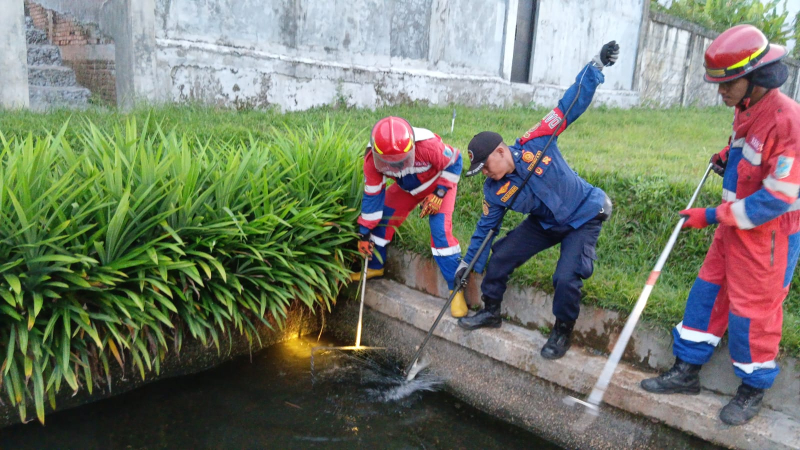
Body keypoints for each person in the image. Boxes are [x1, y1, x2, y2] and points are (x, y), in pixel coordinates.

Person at [640, 25, 800, 426]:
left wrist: (710, 215)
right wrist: (729, 156)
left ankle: (752, 389)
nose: (720, 91)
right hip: (733, 229)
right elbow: (752, 156)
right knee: (707, 294)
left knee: (754, 314)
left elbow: (777, 198)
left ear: (757, 77)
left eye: (727, 83)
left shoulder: (788, 122)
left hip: (768, 237)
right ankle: (687, 370)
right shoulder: (748, 108)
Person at [454, 41, 619, 359]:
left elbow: (570, 104)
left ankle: (562, 332)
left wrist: (595, 66)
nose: (487, 174)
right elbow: (486, 229)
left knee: (566, 276)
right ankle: (491, 312)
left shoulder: (537, 139)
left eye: (487, 166)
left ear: (501, 151)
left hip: (583, 214)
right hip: (546, 223)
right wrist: (466, 262)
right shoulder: (494, 190)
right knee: (501, 254)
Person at [353, 116, 468, 318]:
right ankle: (375, 266)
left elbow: (455, 161)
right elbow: (372, 196)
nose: (396, 168)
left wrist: (440, 193)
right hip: (407, 189)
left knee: (440, 233)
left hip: (439, 185)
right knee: (383, 220)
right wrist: (363, 235)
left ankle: (456, 288)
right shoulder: (372, 159)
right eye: (389, 163)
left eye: (400, 161)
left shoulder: (429, 146)